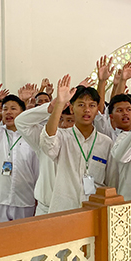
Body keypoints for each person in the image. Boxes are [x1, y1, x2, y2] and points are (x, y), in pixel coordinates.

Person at [0, 69, 39, 224]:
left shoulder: (31, 136)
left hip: (24, 200)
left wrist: (38, 198)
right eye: (5, 109)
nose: (8, 112)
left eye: (13, 108)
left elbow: (37, 170)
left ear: (22, 112)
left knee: (22, 238)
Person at [41, 75, 112, 213]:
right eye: (81, 105)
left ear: (97, 109)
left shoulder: (106, 142)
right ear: (72, 109)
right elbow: (47, 143)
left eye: (92, 105)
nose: (87, 110)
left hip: (95, 211)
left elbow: (111, 181)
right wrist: (60, 104)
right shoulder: (62, 137)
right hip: (64, 210)